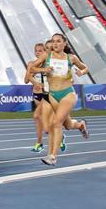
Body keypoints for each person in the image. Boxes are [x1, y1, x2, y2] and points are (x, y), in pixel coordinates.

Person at [33, 33, 89, 166]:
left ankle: (52, 156)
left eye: (58, 41)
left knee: (56, 123)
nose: (55, 44)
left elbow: (85, 67)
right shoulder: (47, 56)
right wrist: (43, 70)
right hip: (51, 95)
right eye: (53, 42)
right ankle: (81, 125)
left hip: (67, 94)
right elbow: (31, 68)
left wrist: (81, 72)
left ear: (64, 43)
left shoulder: (71, 58)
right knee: (67, 125)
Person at [25, 42, 50, 152]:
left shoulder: (48, 63)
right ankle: (39, 143)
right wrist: (35, 82)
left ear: (45, 52)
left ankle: (57, 134)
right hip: (37, 94)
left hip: (48, 93)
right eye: (36, 50)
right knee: (39, 119)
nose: (38, 52)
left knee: (39, 116)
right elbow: (26, 80)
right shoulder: (32, 64)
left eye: (40, 50)